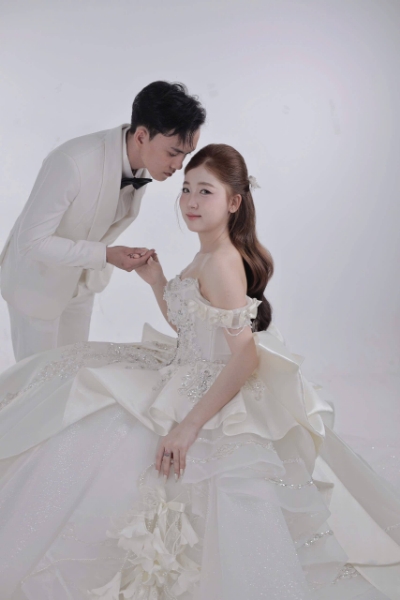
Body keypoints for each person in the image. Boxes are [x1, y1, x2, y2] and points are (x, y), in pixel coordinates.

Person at [0, 144, 399, 600]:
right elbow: (191, 326)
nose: (190, 201)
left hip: (208, 385)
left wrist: (188, 427)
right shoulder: (206, 255)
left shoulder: (223, 262)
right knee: (76, 378)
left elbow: (244, 358)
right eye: (186, 189)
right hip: (182, 368)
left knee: (97, 413)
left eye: (205, 191)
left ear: (234, 202)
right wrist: (157, 280)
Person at [0, 81, 206, 362]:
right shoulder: (72, 162)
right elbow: (30, 242)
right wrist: (106, 254)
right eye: (173, 152)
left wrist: (108, 256)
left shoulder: (143, 164)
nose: (179, 165)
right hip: (37, 286)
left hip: (82, 285)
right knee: (36, 381)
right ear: (141, 136)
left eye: (186, 154)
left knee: (73, 373)